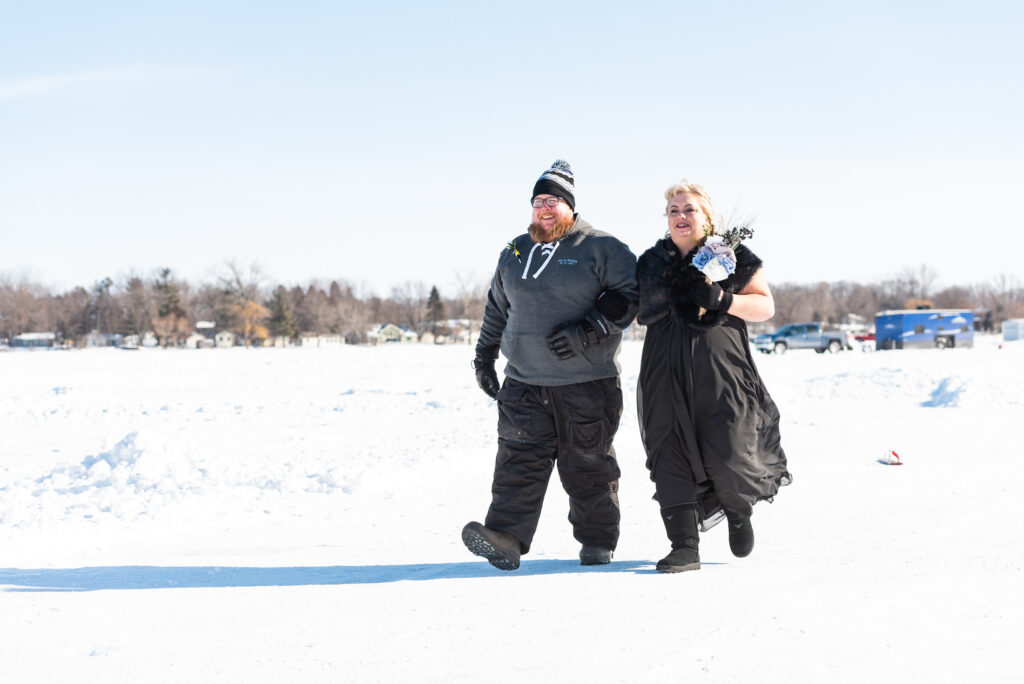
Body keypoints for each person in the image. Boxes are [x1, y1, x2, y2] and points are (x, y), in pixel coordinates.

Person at [463, 159, 639, 571]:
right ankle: (505, 538)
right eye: (538, 200)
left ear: (570, 207)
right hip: (523, 382)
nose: (544, 208)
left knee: (588, 464)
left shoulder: (602, 247)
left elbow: (630, 296)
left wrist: (589, 329)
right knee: (518, 461)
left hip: (587, 382)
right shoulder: (514, 250)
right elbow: (496, 308)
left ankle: (596, 541)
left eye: (554, 201)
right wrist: (484, 356)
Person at [636, 181, 791, 573]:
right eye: (673, 210)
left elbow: (765, 306)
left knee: (729, 444)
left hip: (721, 369)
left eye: (688, 209)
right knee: (667, 446)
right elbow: (629, 306)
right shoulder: (652, 262)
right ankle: (684, 545)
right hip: (663, 368)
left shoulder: (730, 255)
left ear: (707, 216)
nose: (680, 217)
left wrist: (724, 300)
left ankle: (738, 511)